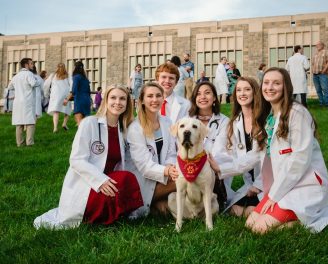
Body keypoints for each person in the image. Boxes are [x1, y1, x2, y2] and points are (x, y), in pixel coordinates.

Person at [245, 67, 328, 234]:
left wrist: (274, 196)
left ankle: (319, 219)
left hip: (304, 185)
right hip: (284, 186)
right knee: (250, 224)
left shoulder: (297, 113)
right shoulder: (269, 117)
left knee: (259, 229)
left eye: (276, 83)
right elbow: (254, 155)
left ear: (286, 87)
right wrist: (220, 169)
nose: (270, 87)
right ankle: (292, 216)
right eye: (267, 83)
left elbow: (299, 160)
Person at [34, 84, 143, 229]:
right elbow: (76, 160)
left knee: (128, 178)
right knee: (124, 179)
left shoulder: (123, 129)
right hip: (89, 184)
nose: (118, 102)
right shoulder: (89, 123)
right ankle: (93, 215)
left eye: (122, 99)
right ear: (105, 100)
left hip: (109, 183)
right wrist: (101, 180)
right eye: (113, 98)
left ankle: (112, 214)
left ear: (127, 103)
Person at [210, 77, 266, 217]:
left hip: (267, 179)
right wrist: (212, 162)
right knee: (234, 210)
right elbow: (222, 150)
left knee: (251, 212)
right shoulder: (235, 123)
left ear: (255, 93)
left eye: (247, 89)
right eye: (239, 90)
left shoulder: (265, 120)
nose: (242, 93)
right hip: (249, 183)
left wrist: (258, 186)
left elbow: (262, 157)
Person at [127, 82, 179, 216]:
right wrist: (167, 171)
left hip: (163, 176)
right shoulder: (135, 128)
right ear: (142, 101)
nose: (154, 100)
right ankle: (153, 204)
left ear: (163, 98)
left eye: (158, 96)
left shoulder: (167, 122)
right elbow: (144, 166)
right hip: (143, 181)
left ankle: (159, 205)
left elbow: (172, 152)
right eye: (150, 96)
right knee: (183, 179)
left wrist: (170, 167)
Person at [188, 81, 231, 210]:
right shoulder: (188, 121)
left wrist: (202, 164)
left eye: (207, 93)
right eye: (199, 94)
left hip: (213, 170)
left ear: (214, 98)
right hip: (191, 169)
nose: (202, 97)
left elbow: (220, 151)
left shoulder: (224, 121)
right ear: (195, 98)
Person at [7, 58, 40, 147]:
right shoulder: (29, 74)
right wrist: (38, 81)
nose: (33, 65)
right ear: (26, 65)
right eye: (31, 64)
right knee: (30, 122)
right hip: (27, 101)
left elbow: (10, 87)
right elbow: (33, 84)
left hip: (18, 102)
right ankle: (29, 143)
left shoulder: (16, 76)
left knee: (19, 123)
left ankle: (20, 143)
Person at [44, 63, 72, 132]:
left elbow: (46, 85)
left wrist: (46, 94)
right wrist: (71, 93)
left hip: (55, 95)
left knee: (56, 112)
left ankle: (55, 128)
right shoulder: (68, 75)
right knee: (67, 110)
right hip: (65, 94)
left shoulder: (53, 75)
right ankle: (64, 124)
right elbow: (72, 84)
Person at [64, 61, 91, 126]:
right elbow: (88, 91)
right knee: (84, 123)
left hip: (79, 100)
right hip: (87, 100)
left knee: (79, 122)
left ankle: (81, 135)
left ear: (75, 67)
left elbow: (74, 90)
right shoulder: (85, 79)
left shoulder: (76, 77)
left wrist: (67, 99)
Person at [312, 41, 328, 107]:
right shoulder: (315, 53)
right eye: (316, 45)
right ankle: (321, 103)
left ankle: (327, 103)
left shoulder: (326, 51)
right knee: (318, 90)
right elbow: (313, 63)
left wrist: (324, 70)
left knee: (325, 88)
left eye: (318, 44)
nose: (317, 46)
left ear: (322, 45)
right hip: (315, 74)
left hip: (322, 74)